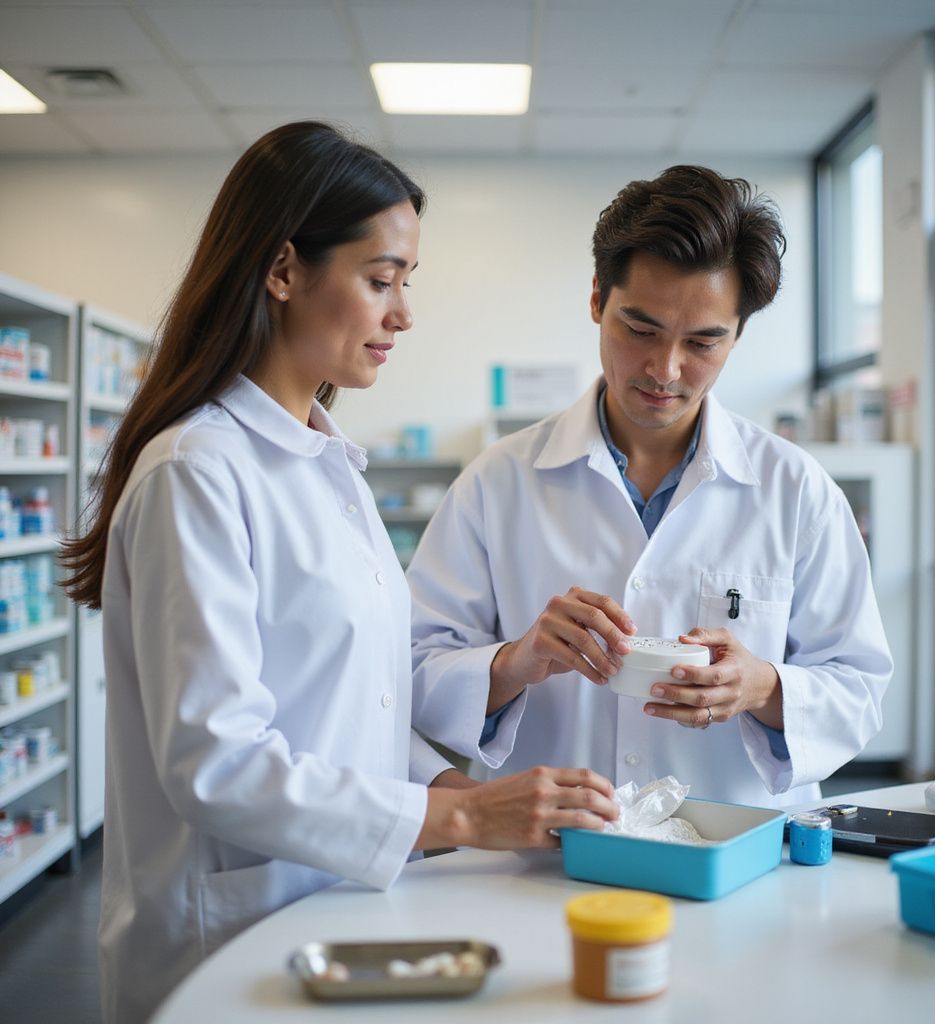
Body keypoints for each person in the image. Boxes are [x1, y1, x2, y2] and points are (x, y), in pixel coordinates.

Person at [61, 122, 617, 1024]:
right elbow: (215, 760)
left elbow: (359, 705)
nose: (402, 314)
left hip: (339, 916)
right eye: (380, 280)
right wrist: (465, 823)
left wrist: (470, 795)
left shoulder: (327, 464)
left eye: (405, 284)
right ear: (282, 271)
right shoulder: (197, 472)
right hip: (225, 943)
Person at [408, 165, 893, 810]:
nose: (665, 370)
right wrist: (515, 662)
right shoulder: (498, 483)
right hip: (542, 859)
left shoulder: (796, 490)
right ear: (596, 301)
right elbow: (413, 671)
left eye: (702, 342)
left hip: (738, 857)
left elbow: (858, 688)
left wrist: (760, 687)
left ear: (738, 335)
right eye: (640, 330)